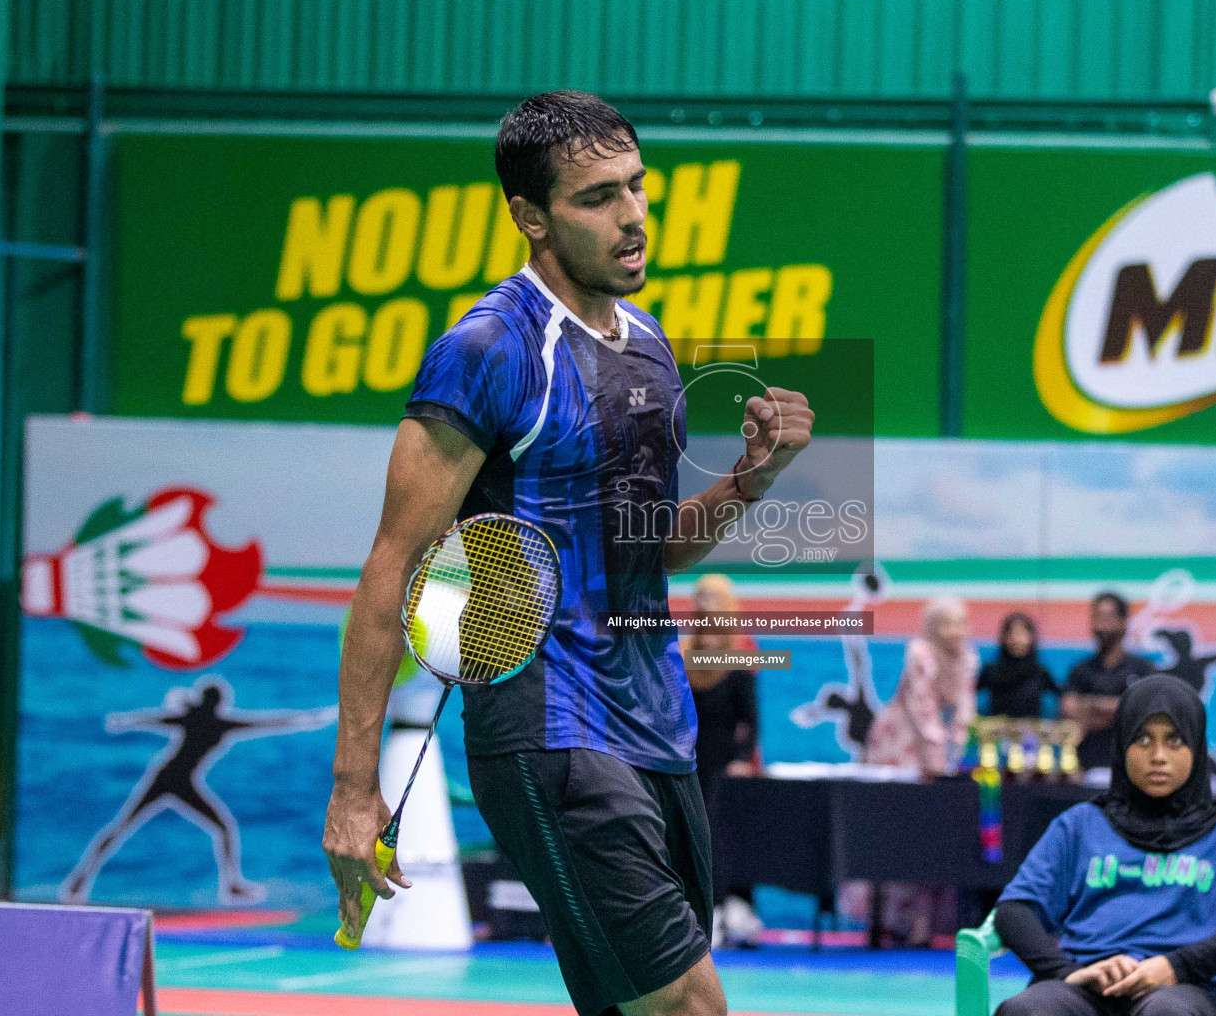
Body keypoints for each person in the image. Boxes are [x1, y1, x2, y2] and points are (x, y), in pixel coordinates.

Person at [323, 91, 814, 1016]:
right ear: (531, 216)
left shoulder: (651, 346)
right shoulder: (489, 349)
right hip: (548, 724)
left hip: (659, 727)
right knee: (687, 1005)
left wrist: (753, 478)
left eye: (637, 187)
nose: (632, 216)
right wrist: (355, 789)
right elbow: (391, 566)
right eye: (598, 197)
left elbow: (649, 552)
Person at [993, 676, 1216, 1016]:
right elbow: (1014, 910)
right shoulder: (1079, 825)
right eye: (1143, 740)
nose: (1159, 756)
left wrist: (1175, 966)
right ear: (1121, 746)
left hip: (1183, 989)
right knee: (1025, 1011)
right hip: (1086, 986)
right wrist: (1069, 972)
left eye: (1175, 740)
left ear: (1197, 747)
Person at [64, 677, 336, 904]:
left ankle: (232, 886)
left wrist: (308, 719)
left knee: (221, 827)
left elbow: (266, 722)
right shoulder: (204, 720)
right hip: (166, 777)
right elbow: (158, 718)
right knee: (125, 826)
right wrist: (127, 721)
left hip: (181, 781)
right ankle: (79, 878)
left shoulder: (204, 719)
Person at [856, 595, 978, 945]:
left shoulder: (968, 658)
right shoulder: (919, 653)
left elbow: (964, 711)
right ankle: (889, 921)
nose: (953, 631)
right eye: (945, 623)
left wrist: (952, 753)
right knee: (897, 829)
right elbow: (921, 711)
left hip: (937, 751)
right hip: (899, 745)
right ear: (932, 626)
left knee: (933, 833)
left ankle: (924, 922)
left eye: (959, 623)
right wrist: (936, 763)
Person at [679, 573, 763, 948]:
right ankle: (689, 914)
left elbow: (751, 720)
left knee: (721, 834)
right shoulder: (681, 653)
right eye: (702, 599)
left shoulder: (742, 654)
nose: (707, 606)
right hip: (688, 762)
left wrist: (744, 760)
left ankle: (729, 912)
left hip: (726, 765)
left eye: (715, 599)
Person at [1063, 592, 1156, 772]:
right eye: (1096, 616)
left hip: (1132, 768)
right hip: (1087, 766)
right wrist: (1119, 710)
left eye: (1107, 616)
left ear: (1123, 622)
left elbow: (1145, 712)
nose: (1100, 622)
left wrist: (1090, 706)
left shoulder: (1142, 670)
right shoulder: (1080, 670)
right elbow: (1069, 711)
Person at [979, 612, 1058, 718]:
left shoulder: (1040, 672)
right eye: (1011, 634)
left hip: (1031, 732)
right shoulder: (991, 671)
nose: (1016, 639)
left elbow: (1062, 695)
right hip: (997, 731)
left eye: (1021, 634)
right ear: (1003, 637)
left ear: (1031, 637)